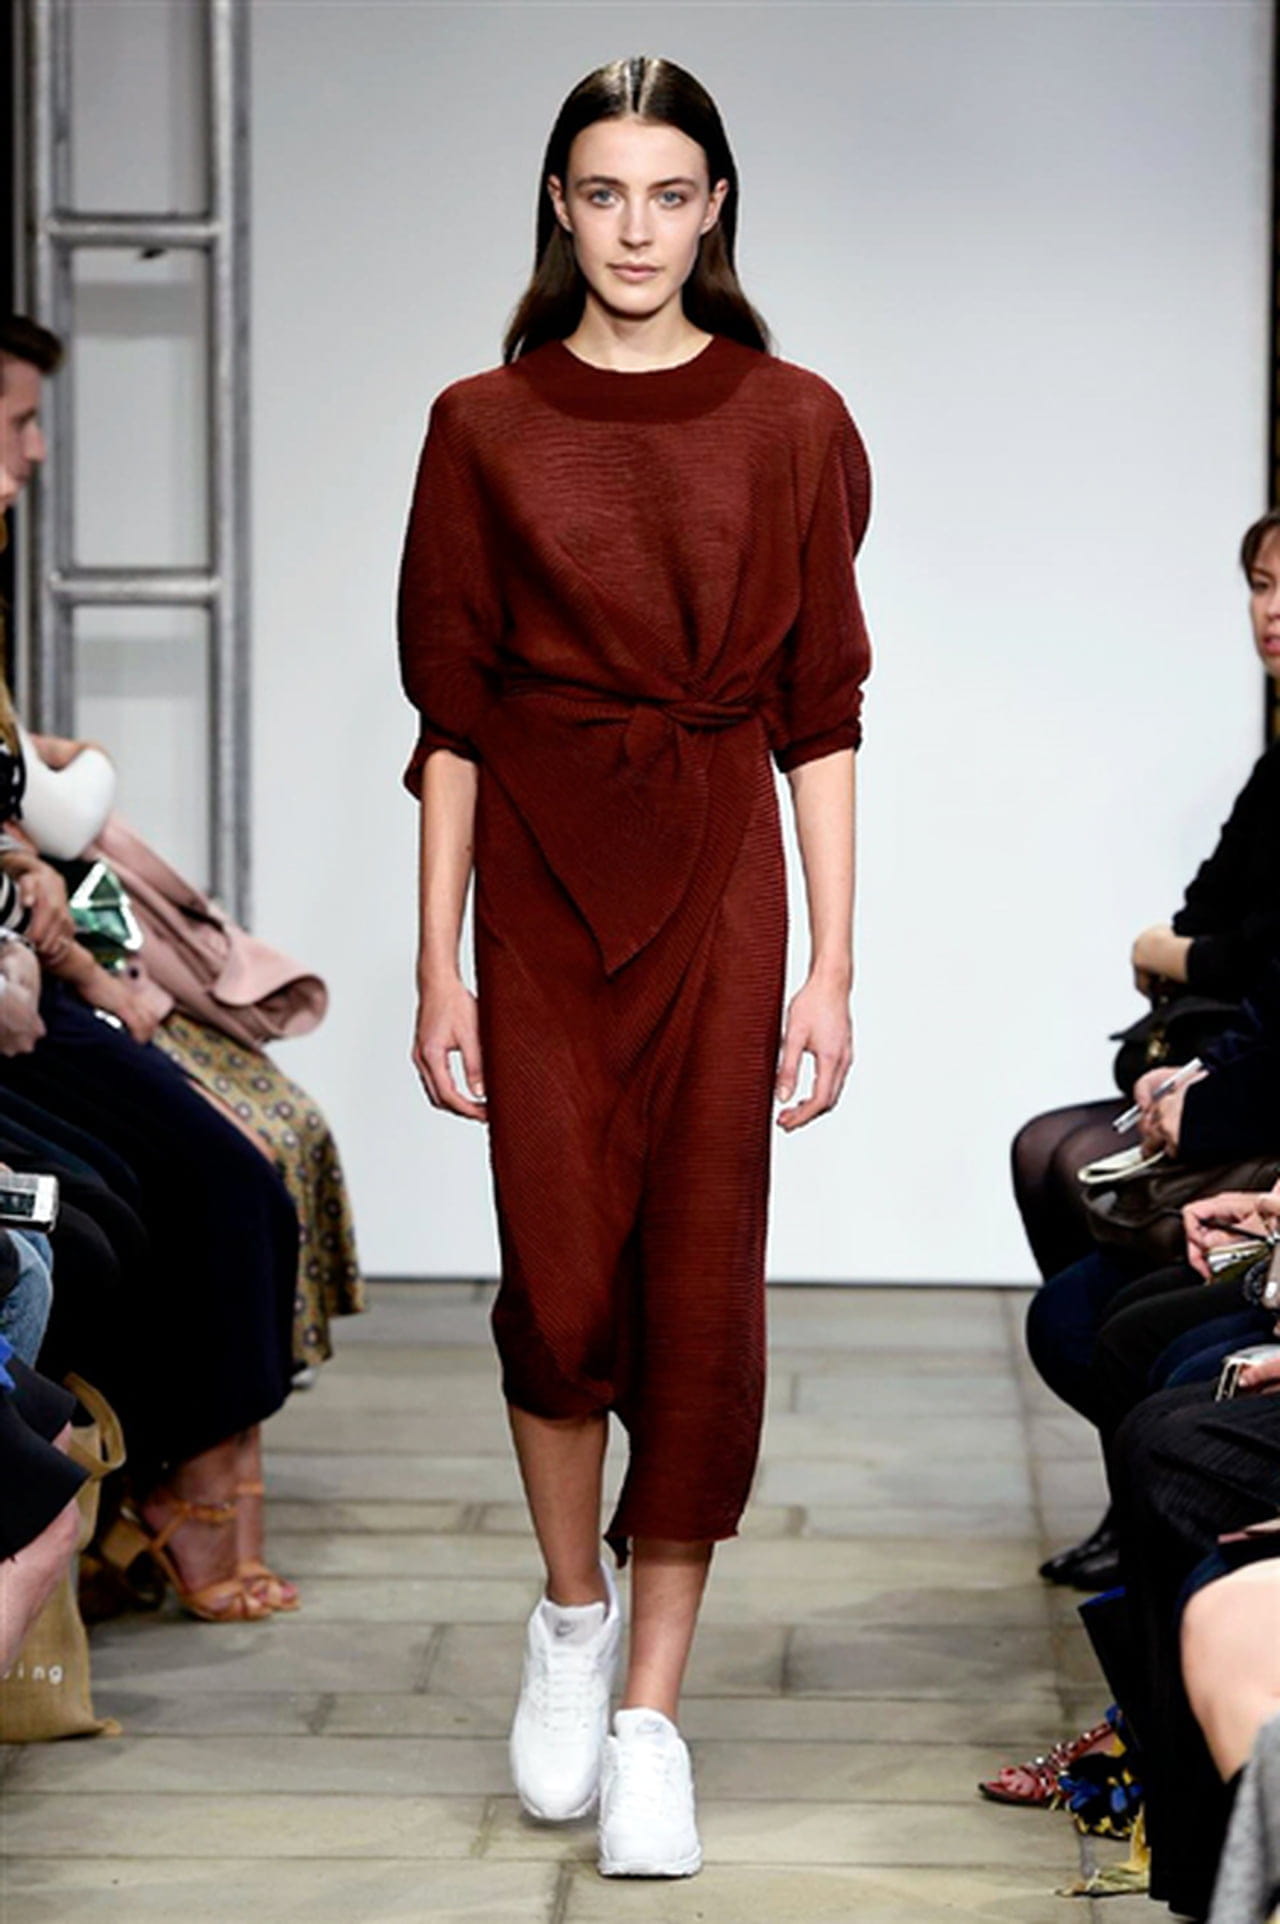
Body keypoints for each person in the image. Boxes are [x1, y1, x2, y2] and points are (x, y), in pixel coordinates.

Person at [399, 56, 870, 1879]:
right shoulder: (482, 424)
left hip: (721, 879)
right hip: (536, 875)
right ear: (560, 205)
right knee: (559, 1273)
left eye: (670, 195)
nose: (637, 229)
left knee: (699, 1287)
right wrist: (434, 966)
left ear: (716, 208)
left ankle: (653, 1719)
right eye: (605, 194)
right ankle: (571, 1613)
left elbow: (820, 712)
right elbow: (453, 716)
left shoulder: (794, 419)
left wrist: (832, 968)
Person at [2, 317, 301, 1620]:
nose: (35, 451)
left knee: (260, 1145)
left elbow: (27, 834)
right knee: (212, 1176)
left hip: (42, 964)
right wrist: (90, 967)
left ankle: (190, 1487)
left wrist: (87, 928)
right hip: (27, 988)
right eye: (17, 420)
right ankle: (193, 1502)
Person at [1013, 508, 1280, 1287]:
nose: (1271, 610)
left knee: (1068, 1162)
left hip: (1260, 1074)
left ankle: (1177, 1336)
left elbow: (1252, 952)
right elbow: (1208, 911)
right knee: (1044, 1152)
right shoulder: (1275, 771)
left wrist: (1162, 952)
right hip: (1240, 1050)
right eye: (1261, 585)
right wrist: (1191, 951)